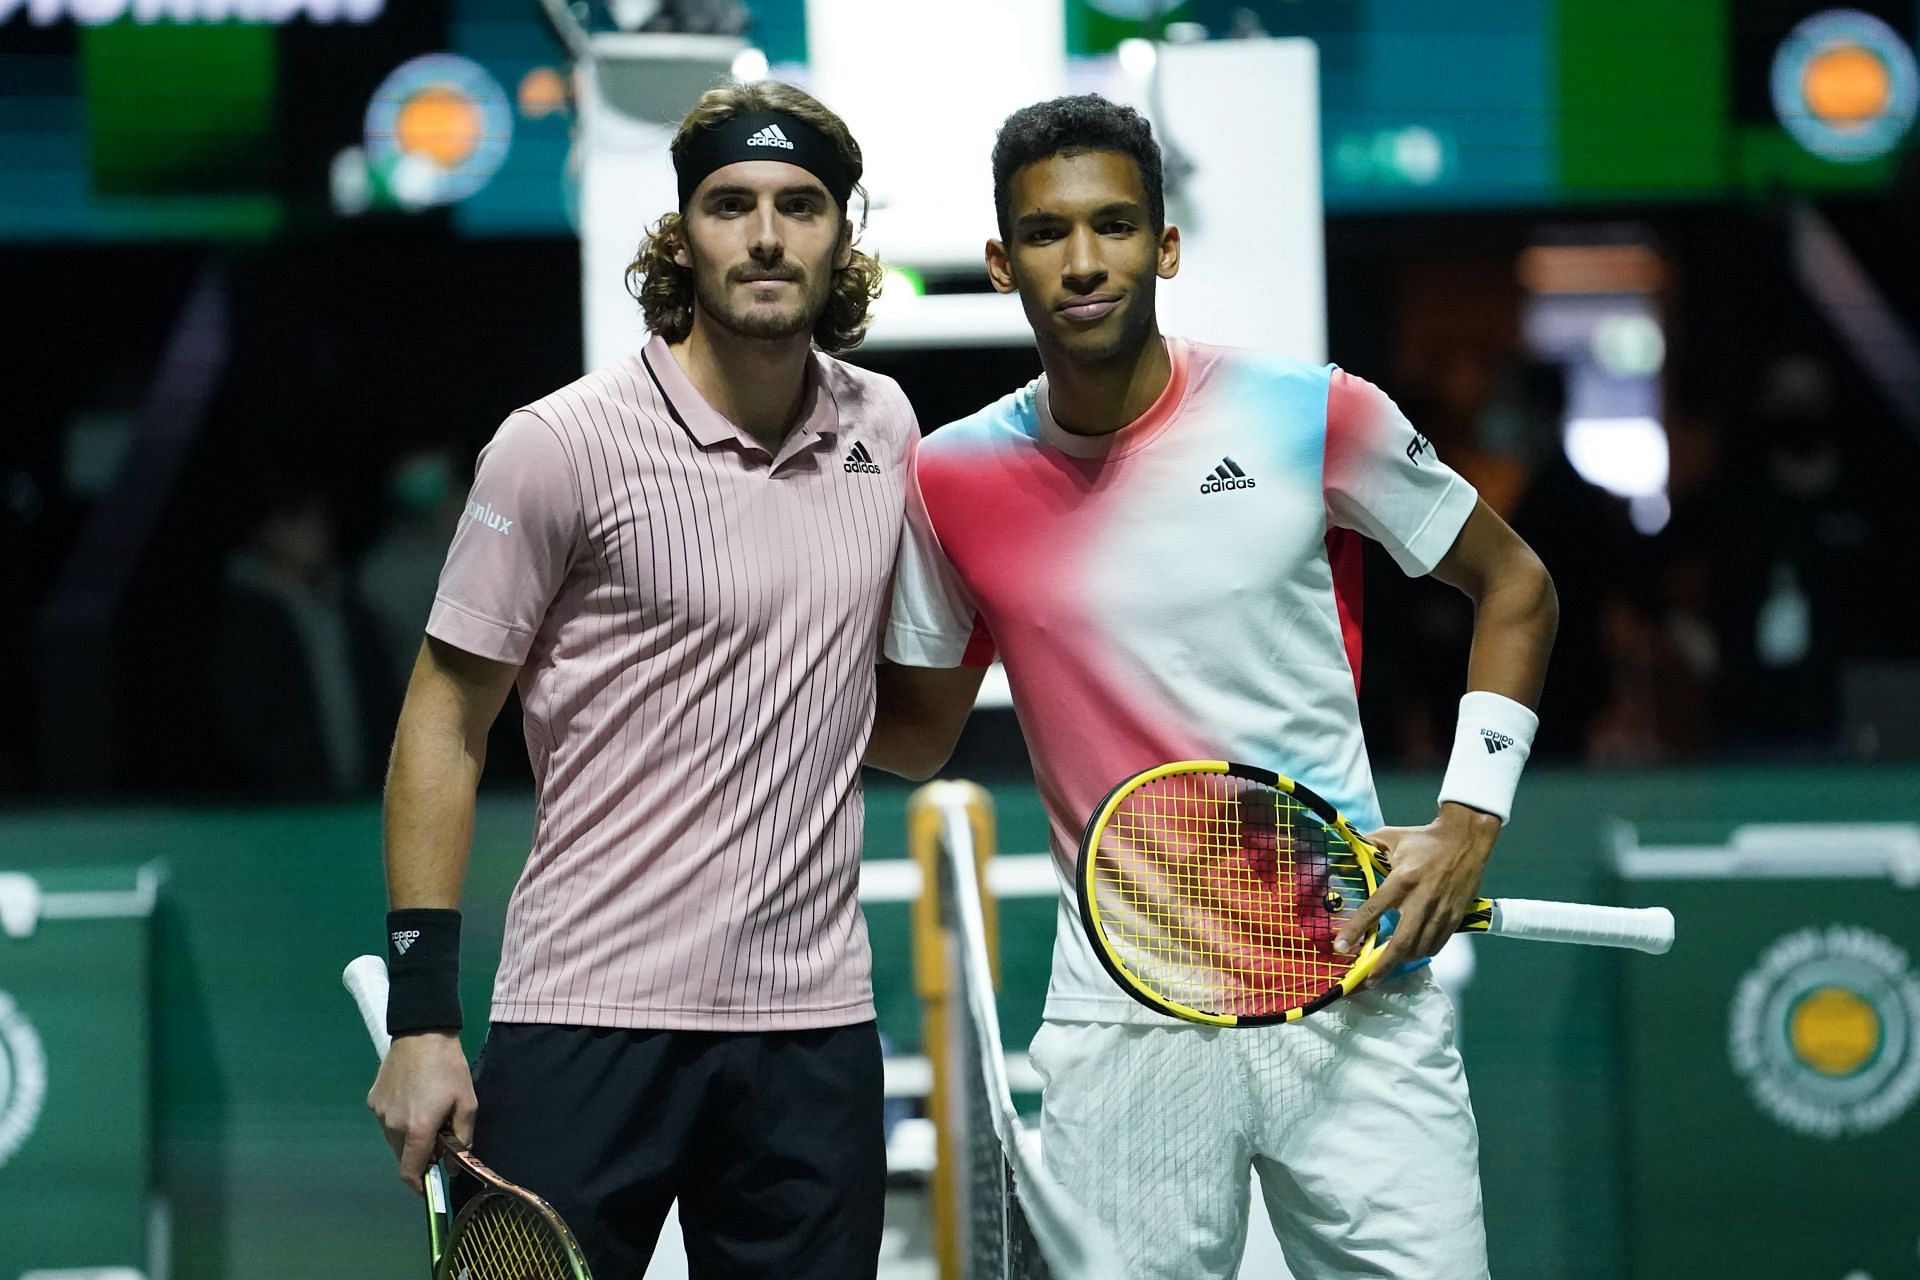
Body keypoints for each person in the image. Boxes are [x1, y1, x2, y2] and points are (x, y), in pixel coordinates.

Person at [867, 95, 1557, 1279]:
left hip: (1350, 985)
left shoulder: (1312, 412)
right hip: (1124, 1009)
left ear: (1165, 246)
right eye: (1046, 234)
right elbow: (917, 734)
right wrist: (741, 681)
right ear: (1001, 262)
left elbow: (1517, 587)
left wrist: (1468, 818)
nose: (1083, 261)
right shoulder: (951, 477)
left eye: (1115, 225)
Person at [365, 80, 912, 1279]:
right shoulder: (558, 444)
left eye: (801, 204)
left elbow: (899, 717)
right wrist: (421, 1015)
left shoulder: (887, 428)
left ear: (841, 235)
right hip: (585, 1018)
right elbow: (443, 724)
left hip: (812, 1031)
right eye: (730, 204)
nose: (766, 233)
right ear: (685, 234)